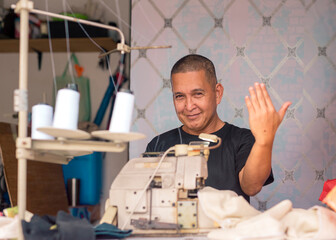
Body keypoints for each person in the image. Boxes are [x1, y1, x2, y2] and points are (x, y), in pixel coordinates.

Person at [145, 54, 291, 202]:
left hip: (229, 226)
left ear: (217, 93)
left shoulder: (242, 139)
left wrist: (264, 141)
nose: (189, 106)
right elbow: (144, 198)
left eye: (198, 94)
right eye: (180, 96)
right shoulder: (159, 145)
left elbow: (251, 187)